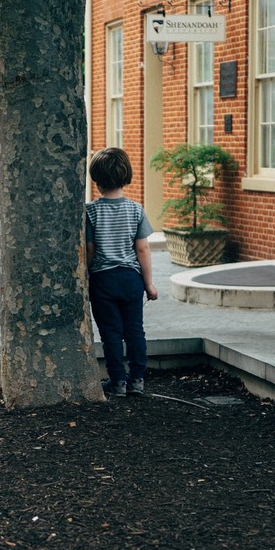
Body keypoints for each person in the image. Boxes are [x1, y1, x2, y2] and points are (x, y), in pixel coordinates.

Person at [85, 147, 158, 397]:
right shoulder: (136, 209)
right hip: (131, 280)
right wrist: (149, 284)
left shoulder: (90, 211)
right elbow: (143, 250)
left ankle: (117, 382)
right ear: (126, 175)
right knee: (135, 330)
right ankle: (137, 379)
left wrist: (85, 277)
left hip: (103, 281)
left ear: (96, 179)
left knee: (111, 334)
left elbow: (90, 250)